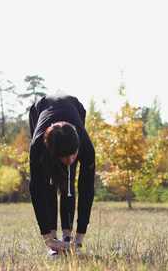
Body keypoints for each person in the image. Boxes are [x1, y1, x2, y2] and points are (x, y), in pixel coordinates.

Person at [28, 94, 96, 255]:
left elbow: (87, 189)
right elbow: (36, 189)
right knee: (47, 182)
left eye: (73, 155)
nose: (71, 159)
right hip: (40, 109)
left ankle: (68, 236)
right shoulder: (38, 146)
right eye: (65, 157)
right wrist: (48, 239)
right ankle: (54, 240)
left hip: (74, 107)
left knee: (68, 180)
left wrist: (80, 239)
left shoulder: (86, 147)